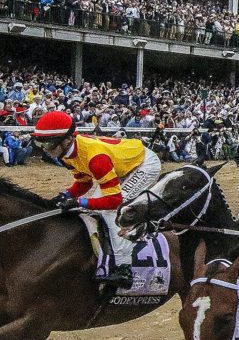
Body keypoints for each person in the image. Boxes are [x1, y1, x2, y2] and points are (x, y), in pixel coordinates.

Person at [32, 110, 163, 286]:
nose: (46, 150)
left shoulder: (95, 158)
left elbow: (114, 201)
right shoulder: (67, 153)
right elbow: (83, 182)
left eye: (50, 145)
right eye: (42, 144)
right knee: (92, 206)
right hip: (122, 164)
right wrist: (65, 195)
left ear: (68, 139)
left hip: (143, 166)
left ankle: (125, 269)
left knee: (113, 213)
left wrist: (79, 201)